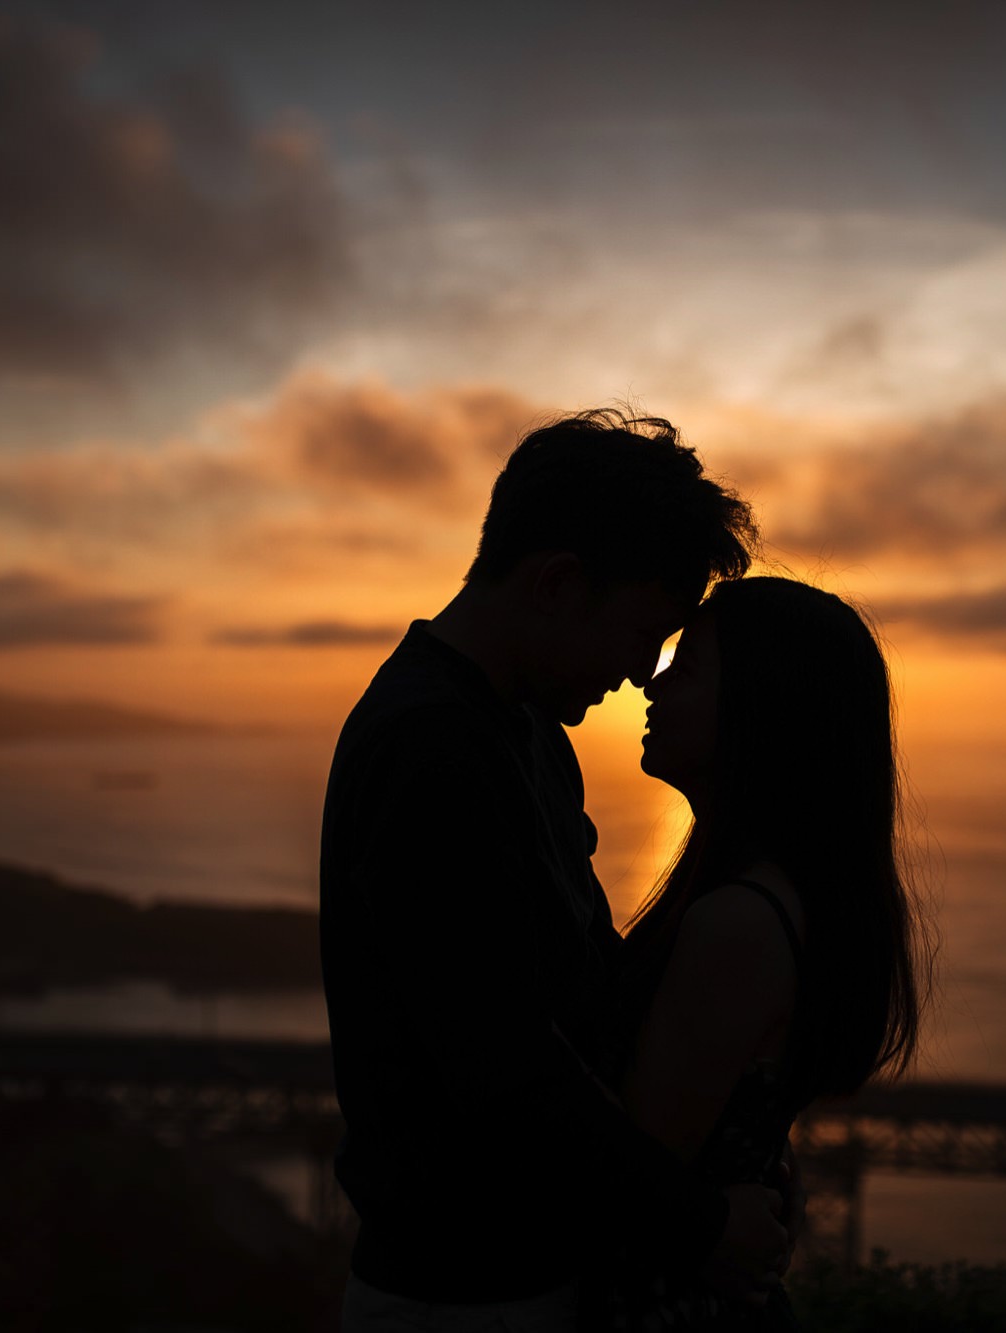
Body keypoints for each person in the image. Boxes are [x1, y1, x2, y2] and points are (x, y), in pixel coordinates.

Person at [320, 410, 789, 1333]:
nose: (639, 675)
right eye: (640, 634)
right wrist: (704, 1225)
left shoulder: (522, 726)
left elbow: (575, 992)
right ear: (558, 583)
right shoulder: (431, 746)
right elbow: (505, 1068)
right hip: (459, 1298)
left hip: (517, 1279)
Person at [589, 575, 929, 1330]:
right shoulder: (774, 901)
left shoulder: (737, 925)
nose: (653, 680)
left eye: (689, 663)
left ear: (759, 708)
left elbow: (628, 1177)